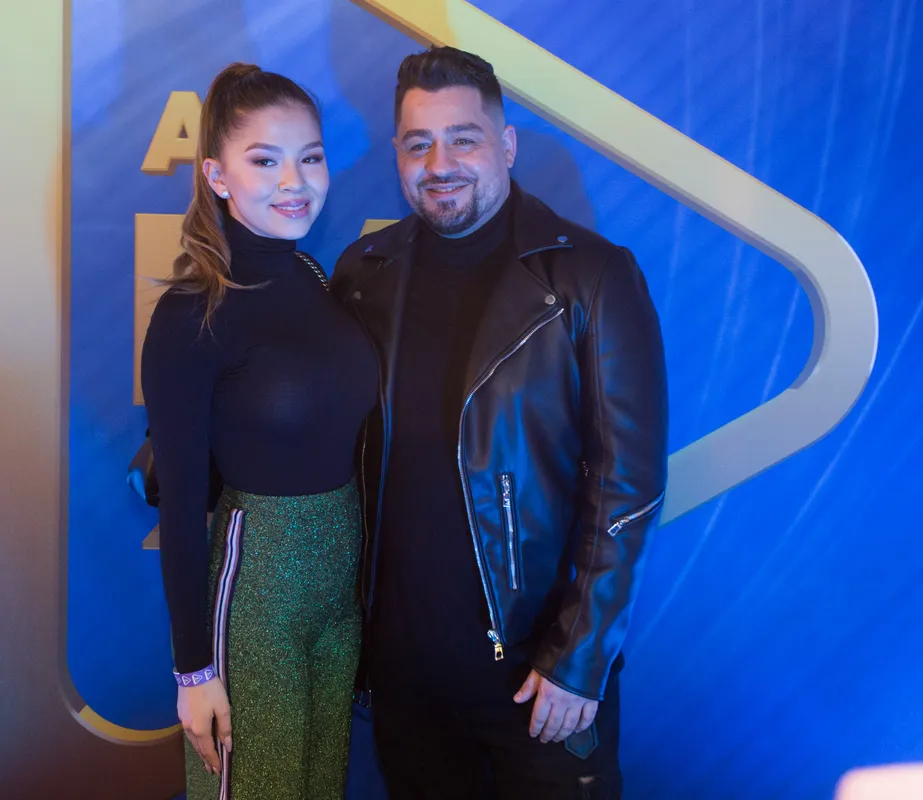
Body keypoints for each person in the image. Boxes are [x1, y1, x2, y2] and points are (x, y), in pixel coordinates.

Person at [330, 46, 669, 799]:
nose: (439, 164)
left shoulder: (591, 277)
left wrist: (580, 659)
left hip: (539, 682)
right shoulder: (363, 275)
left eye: (464, 139)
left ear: (506, 145)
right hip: (405, 685)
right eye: (418, 143)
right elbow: (303, 406)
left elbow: (631, 486)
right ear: (397, 154)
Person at [140, 63, 377, 800]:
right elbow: (182, 508)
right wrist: (194, 673)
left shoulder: (315, 276)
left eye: (310, 157)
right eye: (265, 160)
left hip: (338, 596)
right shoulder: (192, 313)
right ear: (217, 175)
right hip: (256, 596)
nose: (294, 182)